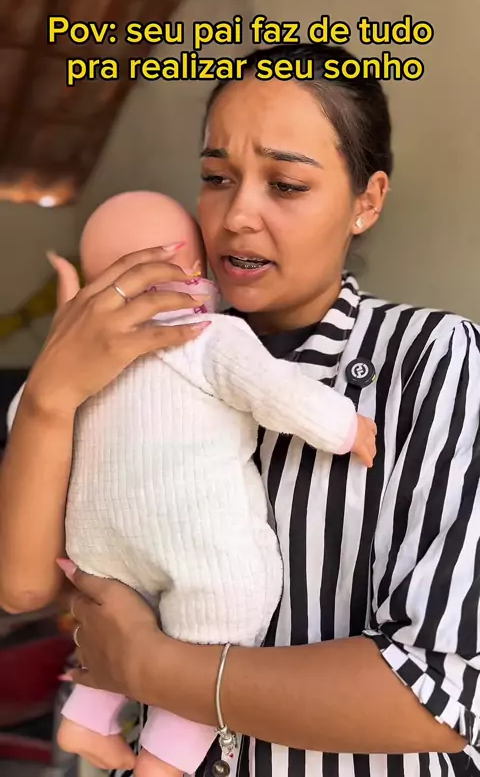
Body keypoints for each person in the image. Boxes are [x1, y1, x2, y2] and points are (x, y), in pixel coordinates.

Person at [0, 42, 478, 777]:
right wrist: (50, 397)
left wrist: (150, 666)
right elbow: (24, 586)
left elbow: (440, 697)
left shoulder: (435, 359)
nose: (237, 216)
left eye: (286, 184)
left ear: (367, 200)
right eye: (216, 178)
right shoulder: (131, 365)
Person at [56, 190, 375, 776]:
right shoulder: (208, 335)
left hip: (97, 545)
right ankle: (164, 763)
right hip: (190, 537)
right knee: (220, 631)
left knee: (118, 622)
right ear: (196, 270)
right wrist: (343, 426)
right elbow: (276, 392)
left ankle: (86, 717)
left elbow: (29, 413)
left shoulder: (86, 360)